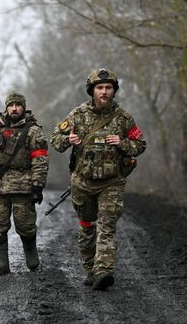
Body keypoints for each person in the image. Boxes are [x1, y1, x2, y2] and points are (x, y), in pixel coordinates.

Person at [50, 68, 146, 290]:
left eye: (108, 88)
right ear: (92, 90)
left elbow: (140, 145)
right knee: (86, 226)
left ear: (114, 91)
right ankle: (90, 267)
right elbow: (55, 138)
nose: (104, 92)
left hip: (111, 182)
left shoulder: (124, 119)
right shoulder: (77, 115)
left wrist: (121, 143)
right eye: (100, 88)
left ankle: (103, 270)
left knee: (107, 225)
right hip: (82, 182)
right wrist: (68, 140)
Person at [0, 91, 49, 275]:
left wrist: (37, 185)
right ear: (6, 107)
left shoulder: (33, 131)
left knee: (25, 226)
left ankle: (31, 253)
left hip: (23, 186)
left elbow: (40, 160)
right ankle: (1, 263)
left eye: (18, 105)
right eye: (11, 105)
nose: (14, 108)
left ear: (23, 108)